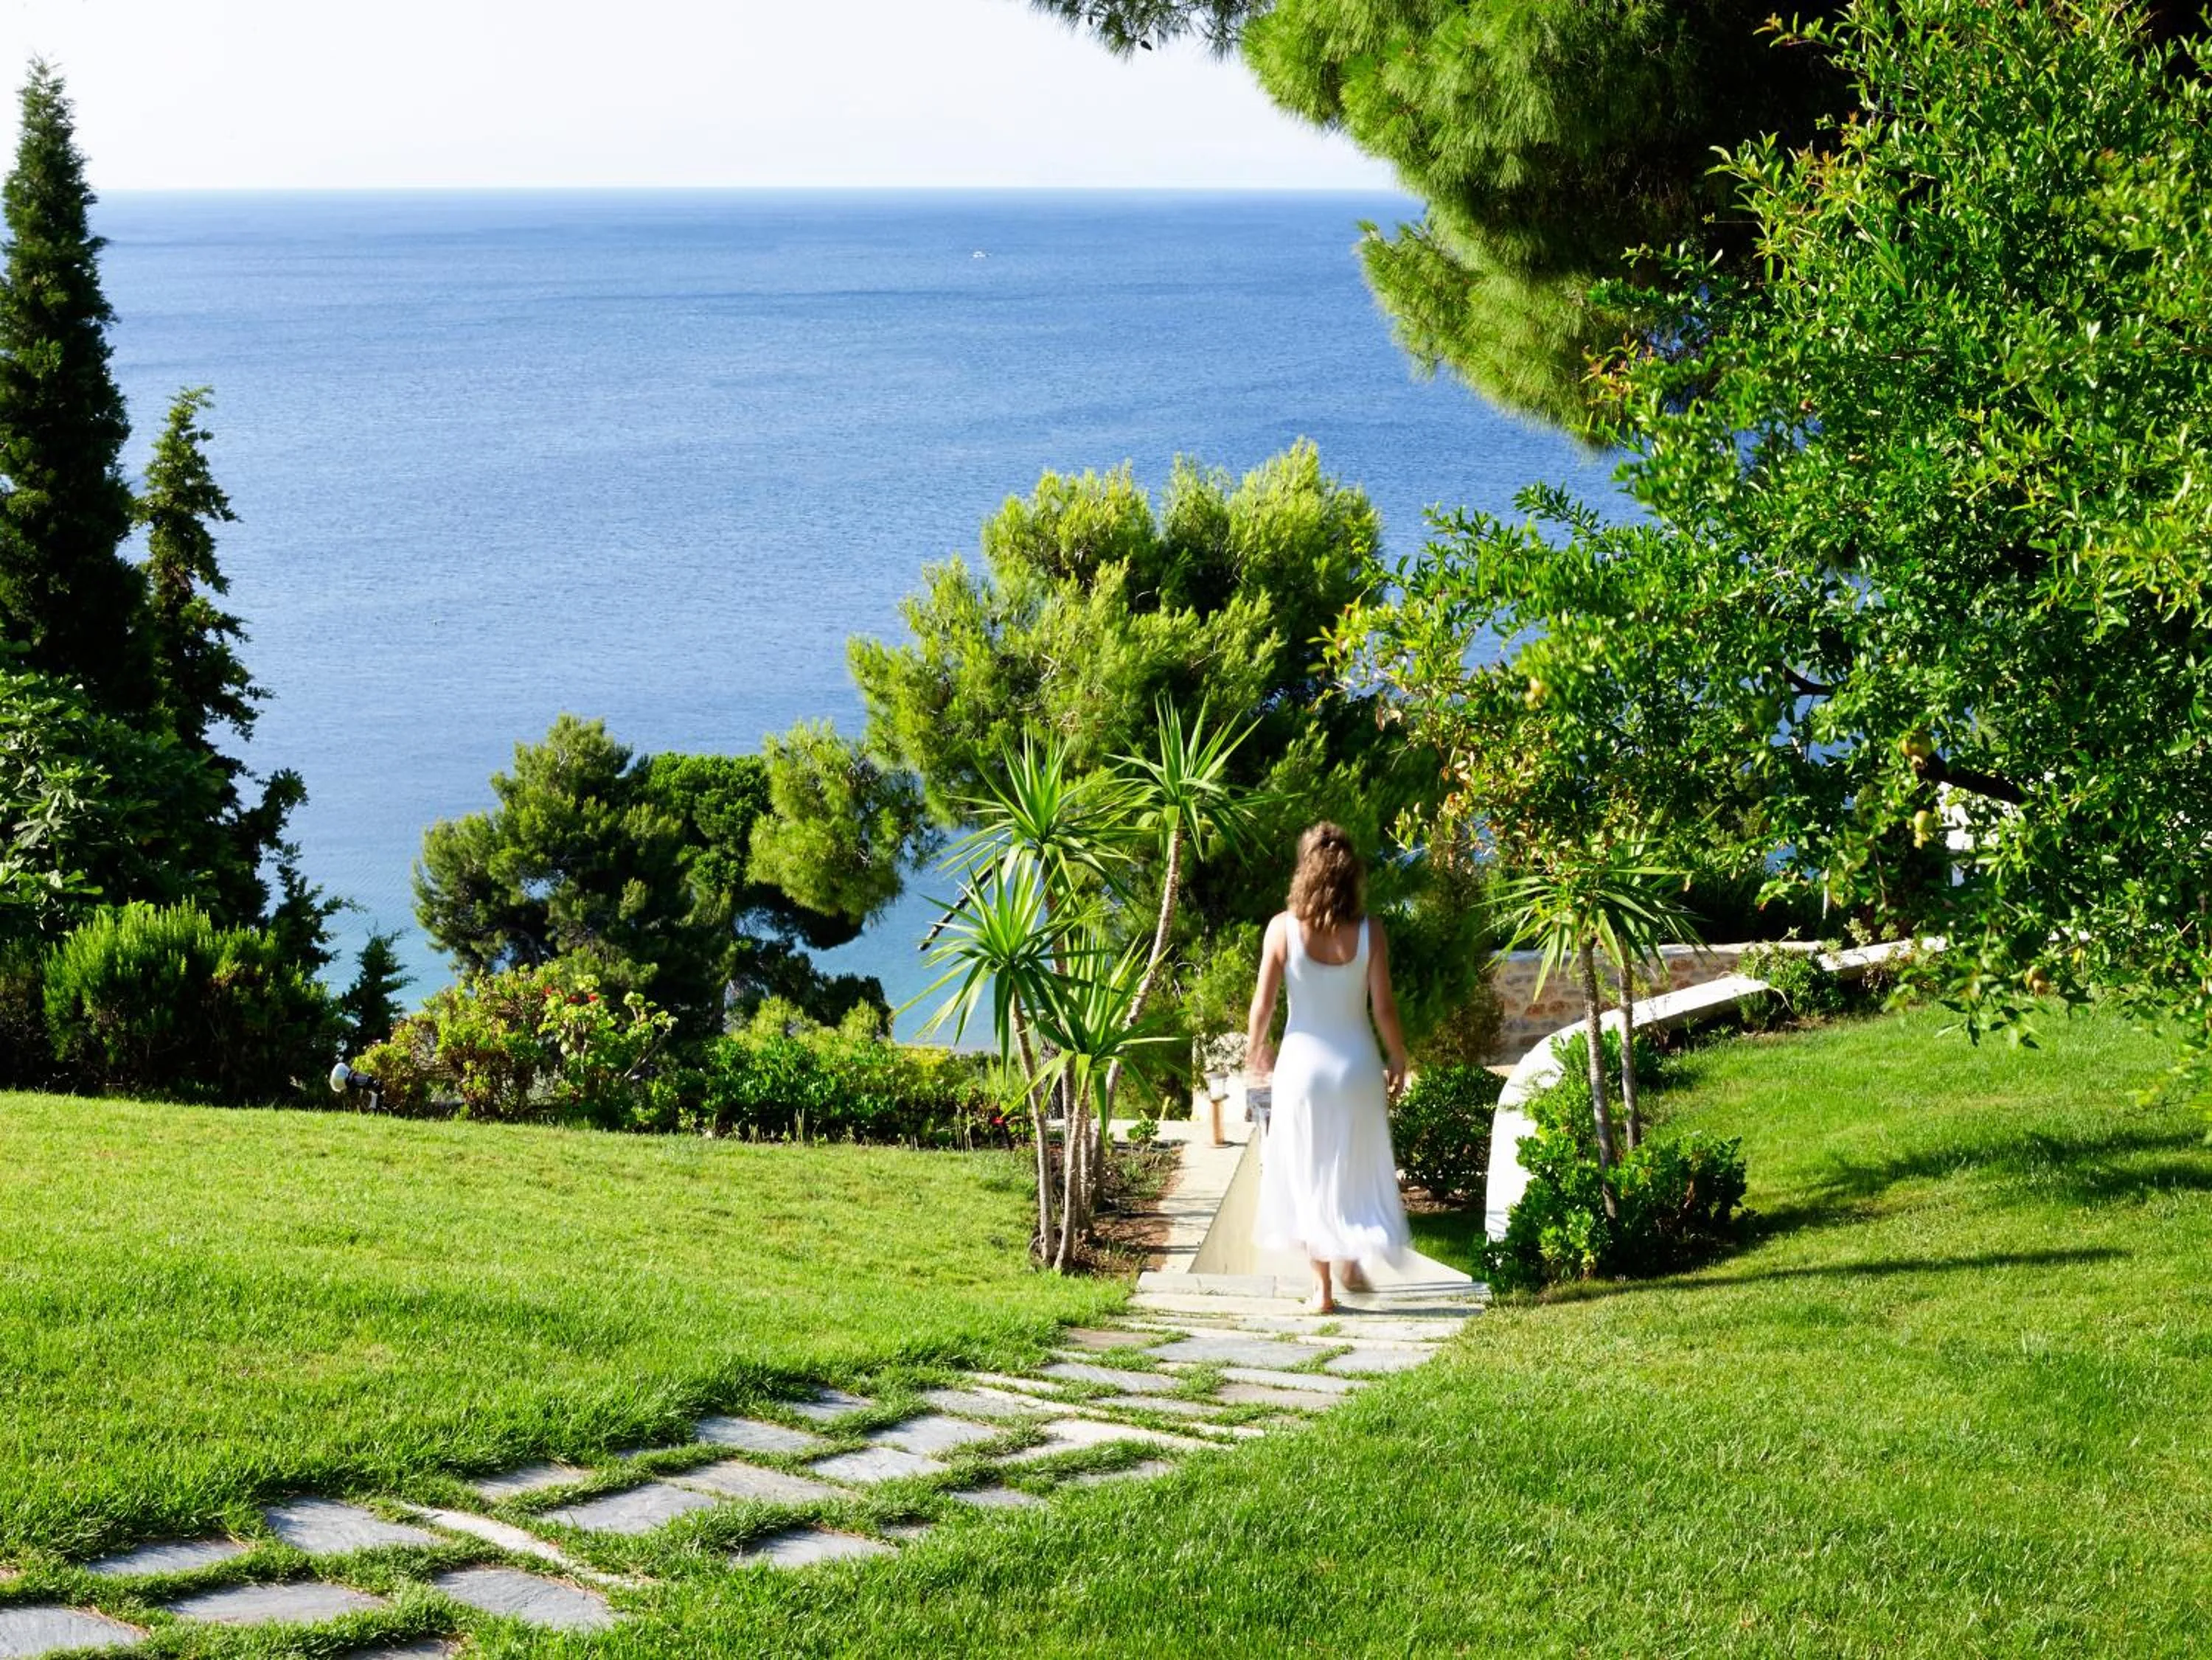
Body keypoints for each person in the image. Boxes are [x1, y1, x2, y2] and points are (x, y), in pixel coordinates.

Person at [1245, 823, 1412, 1313]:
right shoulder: (1370, 932)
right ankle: (1354, 1262)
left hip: (1303, 1070)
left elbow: (1264, 1004)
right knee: (1353, 1167)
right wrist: (1397, 1054)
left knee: (1308, 1171)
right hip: (1358, 1067)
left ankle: (1322, 1290)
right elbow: (1384, 1008)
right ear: (1350, 873)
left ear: (1305, 869)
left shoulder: (1281, 929)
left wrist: (1256, 1049)